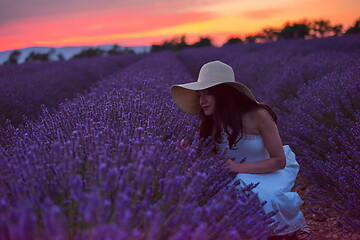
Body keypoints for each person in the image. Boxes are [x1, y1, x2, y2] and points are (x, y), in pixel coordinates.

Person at [170, 60, 312, 239]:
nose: (202, 100)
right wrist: (190, 153)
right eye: (199, 95)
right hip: (233, 176)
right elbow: (215, 158)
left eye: (207, 94)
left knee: (263, 197)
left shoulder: (258, 115)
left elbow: (279, 160)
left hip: (268, 171)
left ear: (223, 94)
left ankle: (295, 228)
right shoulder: (210, 122)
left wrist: (238, 168)